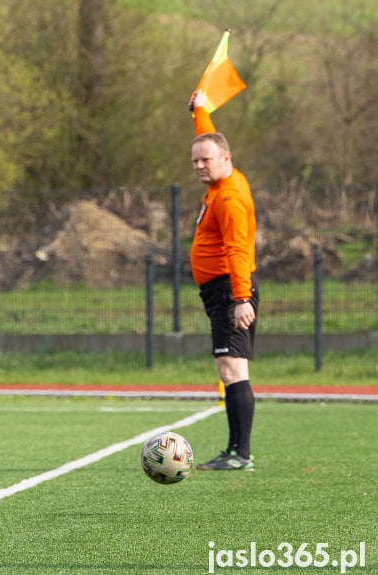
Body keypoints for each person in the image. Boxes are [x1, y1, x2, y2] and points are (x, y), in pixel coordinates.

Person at [188, 89, 258, 471]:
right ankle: (235, 451)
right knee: (229, 369)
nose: (200, 165)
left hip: (230, 290)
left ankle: (240, 453)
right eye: (195, 160)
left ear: (226, 160)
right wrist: (200, 109)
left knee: (233, 368)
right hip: (222, 290)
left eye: (206, 160)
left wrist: (242, 298)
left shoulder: (228, 198)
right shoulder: (222, 179)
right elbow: (210, 139)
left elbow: (237, 249)